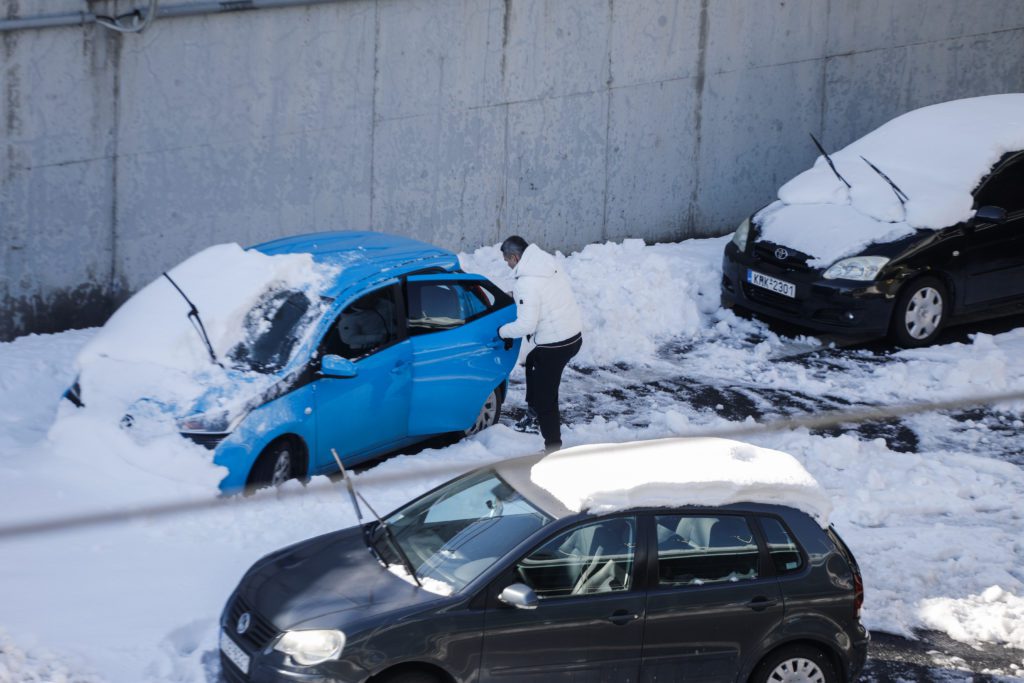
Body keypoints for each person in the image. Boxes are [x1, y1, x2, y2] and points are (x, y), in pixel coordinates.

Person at [497, 236, 583, 454]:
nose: (508, 264)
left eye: (507, 260)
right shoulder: (545, 263)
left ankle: (552, 448)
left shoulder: (527, 282)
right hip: (573, 336)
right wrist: (515, 295)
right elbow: (541, 292)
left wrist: (502, 332)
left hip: (556, 346)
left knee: (548, 398)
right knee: (533, 360)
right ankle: (534, 411)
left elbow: (526, 325)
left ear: (515, 257)